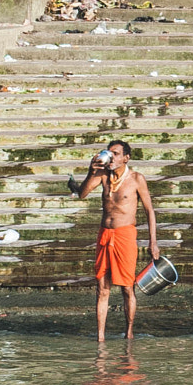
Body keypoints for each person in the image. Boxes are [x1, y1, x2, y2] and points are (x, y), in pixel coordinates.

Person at [76, 138, 159, 343]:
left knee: (127, 287)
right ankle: (101, 337)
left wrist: (153, 242)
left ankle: (129, 332)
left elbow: (150, 211)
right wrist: (90, 170)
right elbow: (82, 194)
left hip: (125, 235)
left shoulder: (137, 179)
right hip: (105, 234)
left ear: (126, 158)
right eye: (108, 152)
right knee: (102, 287)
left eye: (115, 154)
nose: (110, 157)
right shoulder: (103, 175)